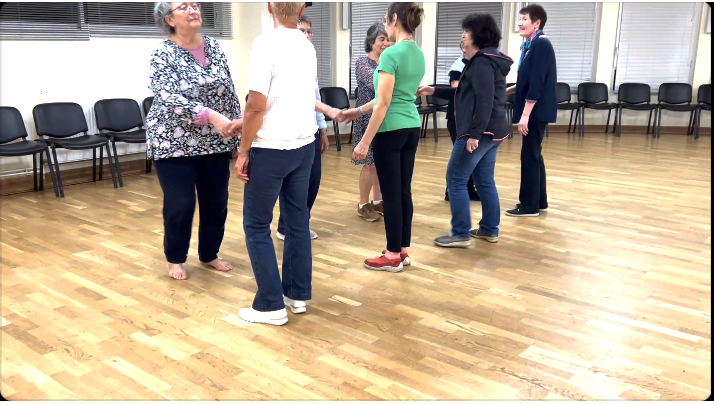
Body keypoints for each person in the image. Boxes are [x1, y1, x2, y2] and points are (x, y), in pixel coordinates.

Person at [232, 2, 341, 326]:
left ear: (269, 7)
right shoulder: (306, 45)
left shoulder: (265, 43)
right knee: (297, 222)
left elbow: (256, 106)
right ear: (302, 7)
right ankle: (296, 295)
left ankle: (270, 304)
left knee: (256, 225)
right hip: (303, 146)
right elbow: (296, 97)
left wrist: (243, 151)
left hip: (271, 149)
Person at [148, 2, 242, 281]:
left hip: (215, 139)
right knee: (181, 202)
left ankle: (209, 254)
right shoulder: (162, 53)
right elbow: (168, 96)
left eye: (195, 4)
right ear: (169, 19)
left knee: (216, 201)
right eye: (183, 6)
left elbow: (227, 89)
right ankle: (175, 258)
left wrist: (238, 124)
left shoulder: (213, 46)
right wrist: (211, 116)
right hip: (172, 140)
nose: (193, 9)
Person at [342, 2, 425, 273]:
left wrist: (364, 141)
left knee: (390, 194)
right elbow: (393, 96)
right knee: (403, 191)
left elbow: (384, 103)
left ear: (394, 18)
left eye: (386, 17)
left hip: (391, 130)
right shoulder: (417, 53)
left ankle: (391, 255)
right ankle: (402, 250)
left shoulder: (391, 54)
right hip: (411, 126)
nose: (384, 21)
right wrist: (357, 111)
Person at [418, 13, 513, 247]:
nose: (463, 36)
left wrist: (474, 135)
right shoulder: (489, 60)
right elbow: (464, 92)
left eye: (466, 32)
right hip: (494, 131)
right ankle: (489, 229)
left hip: (480, 132)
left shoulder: (481, 62)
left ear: (477, 36)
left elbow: (484, 100)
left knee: (456, 179)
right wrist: (433, 91)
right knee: (484, 180)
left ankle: (460, 233)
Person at [275, 15, 330, 241]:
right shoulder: (280, 56)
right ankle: (286, 227)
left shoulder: (309, 57)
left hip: (310, 131)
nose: (306, 35)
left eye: (309, 31)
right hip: (288, 133)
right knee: (292, 185)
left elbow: (314, 96)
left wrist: (323, 128)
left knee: (312, 181)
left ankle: (300, 222)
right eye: (302, 31)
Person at [506, 3, 557, 217]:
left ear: (537, 23)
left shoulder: (541, 45)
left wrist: (524, 116)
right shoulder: (532, 45)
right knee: (534, 154)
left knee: (529, 155)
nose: (520, 23)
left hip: (535, 111)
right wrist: (506, 91)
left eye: (525, 19)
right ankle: (539, 201)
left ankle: (529, 206)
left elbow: (537, 83)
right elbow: (526, 80)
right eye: (520, 19)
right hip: (535, 109)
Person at [352, 22, 389, 222]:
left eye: (388, 39)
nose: (385, 43)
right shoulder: (362, 62)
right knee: (369, 164)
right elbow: (378, 84)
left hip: (384, 118)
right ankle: (363, 204)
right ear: (371, 41)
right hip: (367, 118)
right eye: (381, 39)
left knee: (380, 163)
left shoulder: (389, 61)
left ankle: (378, 201)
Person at [444, 42, 480, 203]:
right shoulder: (458, 66)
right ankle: (450, 191)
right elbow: (456, 90)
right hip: (457, 117)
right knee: (460, 155)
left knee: (469, 154)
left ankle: (469, 189)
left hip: (470, 116)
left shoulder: (476, 64)